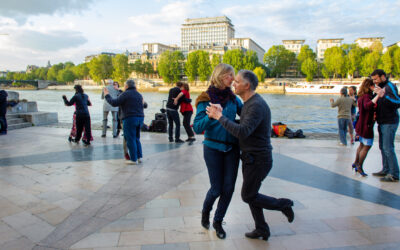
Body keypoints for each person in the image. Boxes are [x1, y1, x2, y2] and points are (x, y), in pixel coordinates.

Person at [206, 70, 294, 241]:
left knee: (248, 195)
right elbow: (245, 124)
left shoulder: (255, 105)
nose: (233, 84)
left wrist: (219, 116)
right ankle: (261, 229)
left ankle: (283, 204)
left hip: (258, 159)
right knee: (253, 193)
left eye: (237, 81)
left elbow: (243, 131)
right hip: (250, 158)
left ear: (247, 85)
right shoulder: (249, 103)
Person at [193, 63, 242, 239]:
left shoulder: (234, 99)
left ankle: (218, 222)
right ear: (220, 76)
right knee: (216, 188)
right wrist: (209, 115)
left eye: (233, 75)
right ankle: (206, 212)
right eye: (230, 75)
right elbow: (197, 128)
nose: (233, 78)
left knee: (228, 189)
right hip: (212, 148)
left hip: (232, 149)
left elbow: (246, 116)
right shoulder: (205, 99)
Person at [104, 79, 144, 165]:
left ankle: (133, 159)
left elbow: (114, 103)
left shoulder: (125, 94)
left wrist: (107, 95)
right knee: (137, 138)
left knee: (130, 139)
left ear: (126, 86)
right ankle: (139, 157)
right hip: (140, 118)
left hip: (130, 118)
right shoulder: (139, 94)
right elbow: (143, 105)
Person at [371, 69, 400, 182]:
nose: (375, 81)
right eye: (373, 80)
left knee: (388, 148)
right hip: (382, 121)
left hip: (390, 121)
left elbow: (398, 102)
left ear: (383, 77)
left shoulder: (390, 86)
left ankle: (394, 174)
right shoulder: (380, 87)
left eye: (376, 79)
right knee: (383, 147)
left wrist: (384, 96)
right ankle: (386, 169)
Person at [352, 79, 380, 177]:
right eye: (373, 86)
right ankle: (360, 166)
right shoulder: (367, 96)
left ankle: (356, 162)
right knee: (367, 146)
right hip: (366, 125)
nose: (374, 88)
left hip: (360, 125)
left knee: (361, 145)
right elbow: (368, 106)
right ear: (369, 86)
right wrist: (378, 95)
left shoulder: (361, 96)